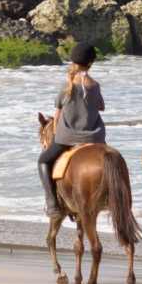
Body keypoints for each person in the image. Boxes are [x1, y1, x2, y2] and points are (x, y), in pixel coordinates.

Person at [38, 42, 106, 219]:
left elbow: (58, 116)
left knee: (43, 161)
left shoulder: (66, 85)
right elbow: (101, 107)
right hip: (95, 138)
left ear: (73, 61)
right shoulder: (95, 85)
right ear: (91, 63)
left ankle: (52, 204)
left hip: (68, 138)